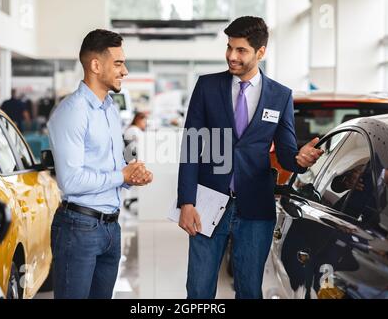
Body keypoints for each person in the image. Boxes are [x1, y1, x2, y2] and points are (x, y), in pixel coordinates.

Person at [177, 16, 323, 299]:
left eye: (241, 50)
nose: (232, 56)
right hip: (208, 203)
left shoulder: (280, 96)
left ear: (261, 52)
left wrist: (299, 160)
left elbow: (285, 152)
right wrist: (186, 201)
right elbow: (191, 146)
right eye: (229, 47)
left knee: (249, 290)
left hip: (255, 207)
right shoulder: (207, 87)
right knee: (197, 290)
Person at [47, 29, 153, 299]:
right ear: (95, 65)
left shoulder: (110, 109)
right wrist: (121, 175)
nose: (125, 70)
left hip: (110, 228)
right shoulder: (72, 112)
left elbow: (112, 164)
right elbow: (70, 180)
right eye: (118, 63)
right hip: (79, 228)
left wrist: (131, 176)